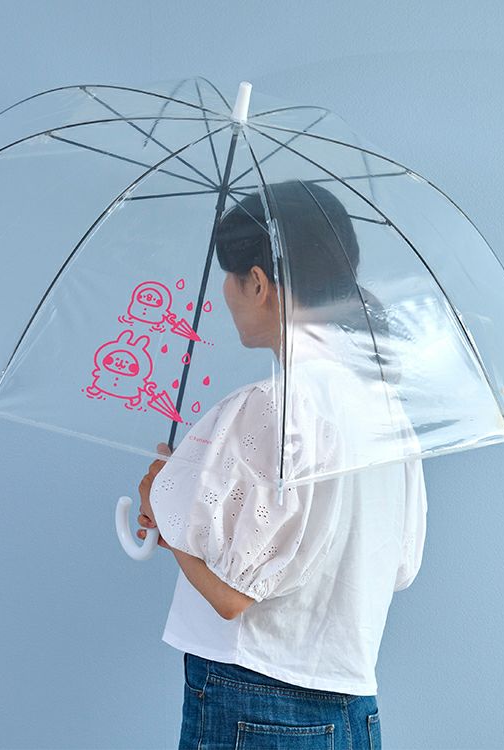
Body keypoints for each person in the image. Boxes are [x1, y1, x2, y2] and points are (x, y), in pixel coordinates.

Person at [136, 179, 427, 750]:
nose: (226, 292)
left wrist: (164, 508)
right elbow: (399, 567)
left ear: (258, 282)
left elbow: (231, 596)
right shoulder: (386, 409)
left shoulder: (275, 406)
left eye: (231, 276)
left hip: (256, 702)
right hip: (353, 711)